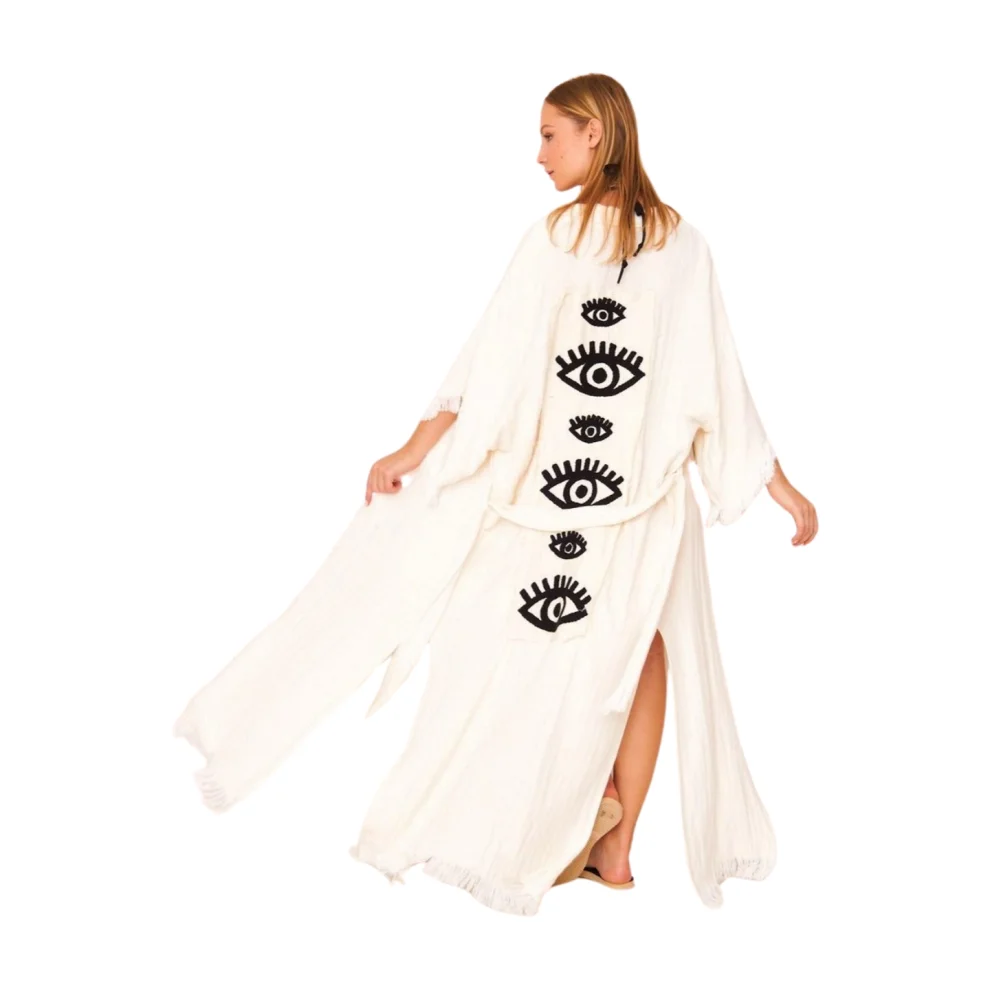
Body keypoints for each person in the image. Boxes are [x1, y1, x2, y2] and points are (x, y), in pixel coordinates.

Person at [174, 73, 817, 917]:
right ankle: (613, 845)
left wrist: (413, 449)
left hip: (553, 499)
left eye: (550, 134)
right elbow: (710, 381)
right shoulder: (676, 244)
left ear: (594, 133)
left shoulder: (566, 239)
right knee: (638, 647)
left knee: (529, 647)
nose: (539, 154)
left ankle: (562, 825)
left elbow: (499, 369)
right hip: (632, 503)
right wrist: (776, 483)